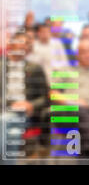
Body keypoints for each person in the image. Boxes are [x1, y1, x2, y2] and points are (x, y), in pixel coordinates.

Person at [51, 39, 89, 156]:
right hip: (67, 112)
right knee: (79, 111)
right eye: (83, 52)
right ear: (77, 54)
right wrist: (72, 102)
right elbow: (53, 94)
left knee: (85, 120)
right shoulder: (65, 69)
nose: (87, 55)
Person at [0, 32, 49, 163]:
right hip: (3, 110)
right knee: (13, 132)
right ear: (10, 45)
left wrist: (31, 105)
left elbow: (45, 98)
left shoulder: (35, 68)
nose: (24, 47)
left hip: (25, 115)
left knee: (5, 120)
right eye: (21, 43)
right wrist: (11, 104)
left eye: (27, 44)